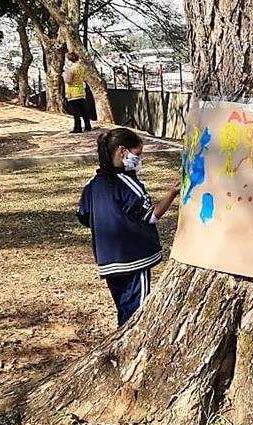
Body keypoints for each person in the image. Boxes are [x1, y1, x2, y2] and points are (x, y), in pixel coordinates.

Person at [77, 128, 180, 327]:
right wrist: (171, 194)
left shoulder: (92, 184)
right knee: (137, 315)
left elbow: (83, 216)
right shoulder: (128, 183)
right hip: (135, 260)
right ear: (122, 151)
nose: (138, 160)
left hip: (108, 262)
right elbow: (151, 215)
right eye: (138, 154)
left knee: (124, 310)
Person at [63, 52, 93, 133]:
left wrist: (64, 75)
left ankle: (77, 128)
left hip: (73, 92)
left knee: (76, 112)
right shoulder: (81, 68)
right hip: (81, 91)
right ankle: (88, 126)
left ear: (69, 60)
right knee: (84, 110)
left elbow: (68, 80)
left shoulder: (71, 69)